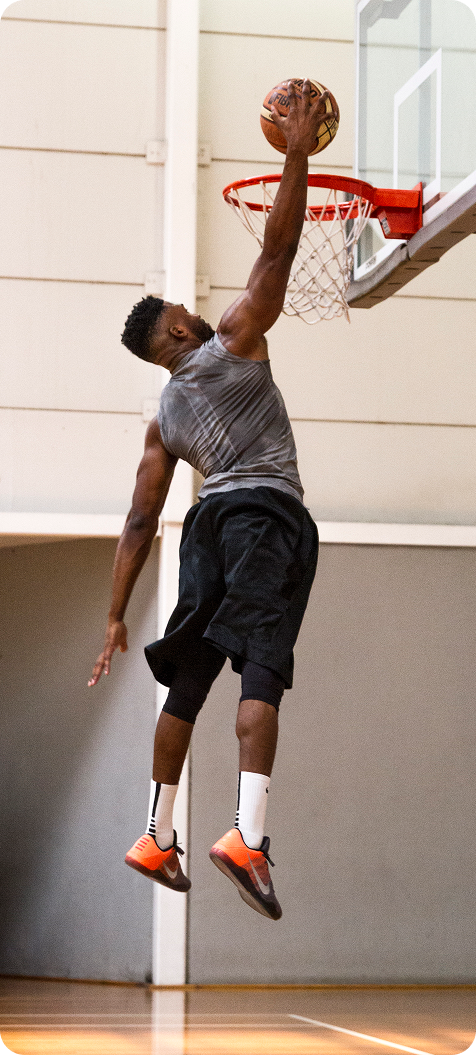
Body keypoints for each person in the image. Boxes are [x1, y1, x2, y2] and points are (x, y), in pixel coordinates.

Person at [89, 81, 334, 920]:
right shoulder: (232, 340)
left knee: (186, 685)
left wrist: (117, 613)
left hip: (205, 529)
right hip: (265, 513)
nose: (200, 311)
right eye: (190, 311)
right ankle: (247, 834)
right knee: (262, 666)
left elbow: (137, 520)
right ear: (185, 331)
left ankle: (155, 831)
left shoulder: (162, 418)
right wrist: (297, 152)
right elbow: (281, 248)